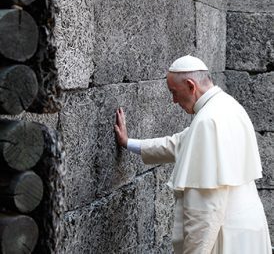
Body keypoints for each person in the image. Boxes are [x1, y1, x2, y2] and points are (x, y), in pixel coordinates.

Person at [114, 55, 272, 254]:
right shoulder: (227, 105)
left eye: (174, 92)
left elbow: (206, 208)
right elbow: (178, 144)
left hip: (223, 235)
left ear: (191, 85)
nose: (173, 100)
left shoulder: (208, 120)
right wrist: (128, 143)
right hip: (247, 228)